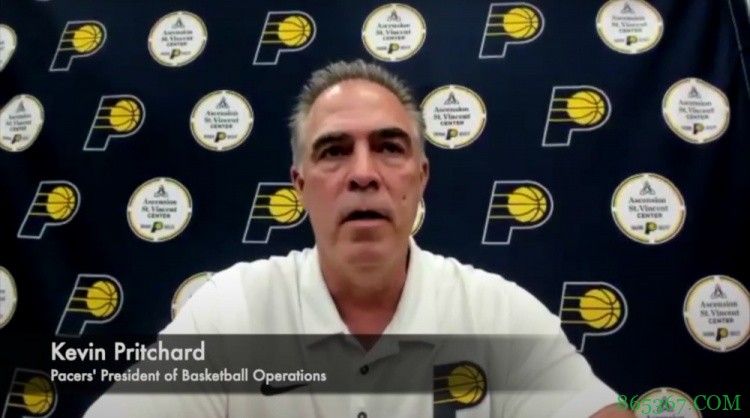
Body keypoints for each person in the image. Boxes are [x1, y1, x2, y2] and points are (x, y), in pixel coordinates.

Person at [84, 59, 633, 418]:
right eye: (334, 151)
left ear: (421, 177)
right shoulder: (230, 311)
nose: (364, 173)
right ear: (300, 185)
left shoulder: (498, 314)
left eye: (390, 148)